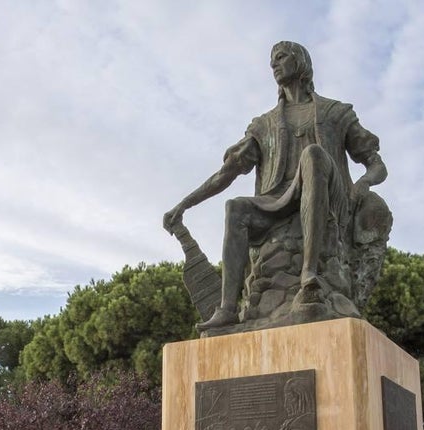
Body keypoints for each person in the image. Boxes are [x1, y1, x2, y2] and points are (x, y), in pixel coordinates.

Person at [163, 41, 388, 331]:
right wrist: (184, 204)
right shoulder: (264, 123)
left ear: (300, 62)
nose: (274, 65)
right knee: (236, 207)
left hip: (331, 198)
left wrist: (365, 183)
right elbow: (226, 173)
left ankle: (310, 274)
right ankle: (228, 308)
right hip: (278, 201)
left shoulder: (336, 112)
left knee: (313, 155)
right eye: (272, 61)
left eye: (281, 58)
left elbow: (376, 164)